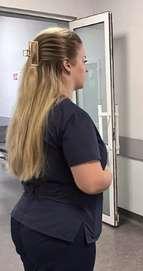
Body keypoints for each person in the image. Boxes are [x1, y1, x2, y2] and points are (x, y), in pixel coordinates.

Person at [6, 27, 112, 271]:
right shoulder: (72, 117)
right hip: (62, 235)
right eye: (83, 60)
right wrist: (108, 174)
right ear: (67, 65)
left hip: (26, 223)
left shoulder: (29, 113)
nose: (85, 67)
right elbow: (91, 182)